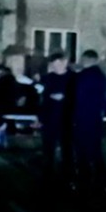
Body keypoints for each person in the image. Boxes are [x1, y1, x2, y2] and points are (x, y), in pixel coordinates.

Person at [69, 49, 106, 194]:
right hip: (96, 120)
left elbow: (77, 99)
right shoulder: (104, 78)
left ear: (86, 59)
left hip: (82, 120)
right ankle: (102, 180)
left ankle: (84, 180)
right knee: (95, 151)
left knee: (81, 152)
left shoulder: (81, 77)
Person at [37, 51, 73, 183]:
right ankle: (47, 176)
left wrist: (65, 98)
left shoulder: (73, 78)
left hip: (66, 120)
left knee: (67, 149)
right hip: (49, 119)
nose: (56, 67)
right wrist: (40, 118)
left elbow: (77, 98)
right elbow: (41, 100)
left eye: (58, 64)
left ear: (64, 63)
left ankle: (67, 176)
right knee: (48, 149)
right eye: (54, 65)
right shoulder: (47, 78)